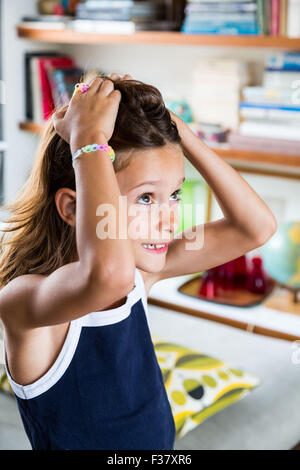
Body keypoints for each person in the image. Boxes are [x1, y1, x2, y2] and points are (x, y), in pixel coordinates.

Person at [0, 73, 277, 450]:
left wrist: (179, 130)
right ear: (73, 207)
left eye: (174, 194)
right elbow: (105, 275)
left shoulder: (140, 272)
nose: (171, 220)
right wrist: (88, 140)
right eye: (146, 198)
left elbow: (255, 228)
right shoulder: (26, 302)